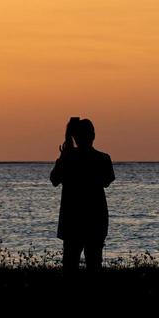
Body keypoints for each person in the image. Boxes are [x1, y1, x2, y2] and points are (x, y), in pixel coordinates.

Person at [49, 116, 114, 271]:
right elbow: (107, 181)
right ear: (93, 136)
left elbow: (54, 179)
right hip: (95, 219)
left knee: (70, 267)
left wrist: (64, 157)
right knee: (94, 265)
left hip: (72, 220)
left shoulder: (67, 158)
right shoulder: (103, 159)